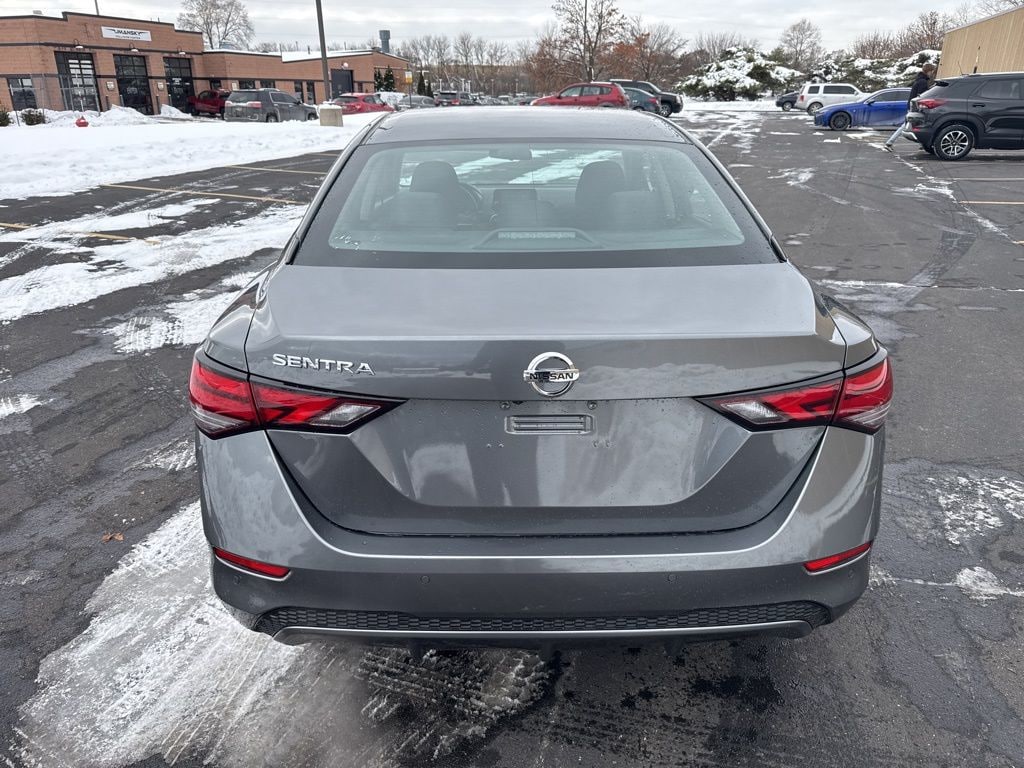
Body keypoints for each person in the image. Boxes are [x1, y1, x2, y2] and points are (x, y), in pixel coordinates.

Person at [884, 62, 936, 151]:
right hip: (916, 108)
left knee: (916, 125)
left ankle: (921, 145)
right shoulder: (923, 82)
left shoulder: (919, 80)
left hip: (911, 105)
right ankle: (889, 143)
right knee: (907, 125)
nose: (932, 73)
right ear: (928, 71)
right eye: (932, 71)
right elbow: (922, 96)